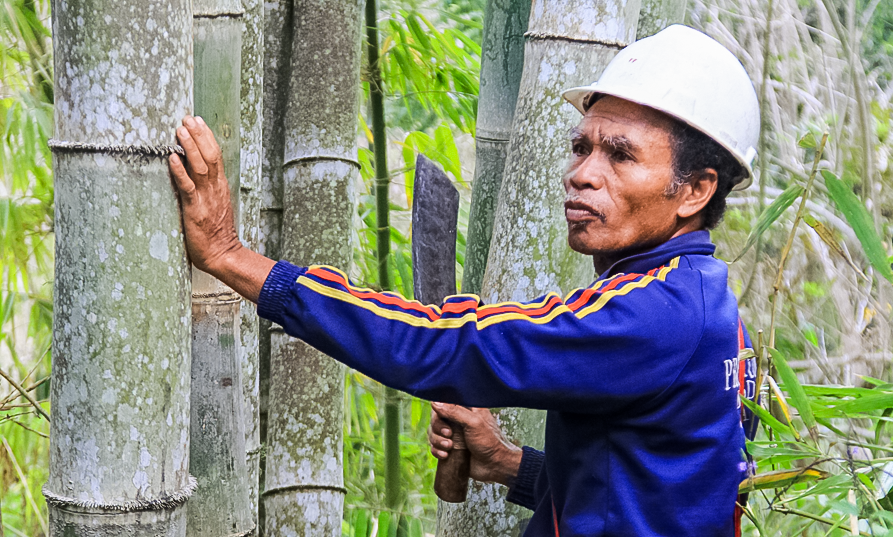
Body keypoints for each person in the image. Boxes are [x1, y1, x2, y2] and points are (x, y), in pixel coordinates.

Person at [169, 24, 760, 537]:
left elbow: (447, 343)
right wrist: (507, 462)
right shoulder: (711, 306)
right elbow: (651, 492)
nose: (582, 175)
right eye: (580, 148)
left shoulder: (653, 312)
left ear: (696, 189)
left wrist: (232, 257)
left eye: (620, 156)